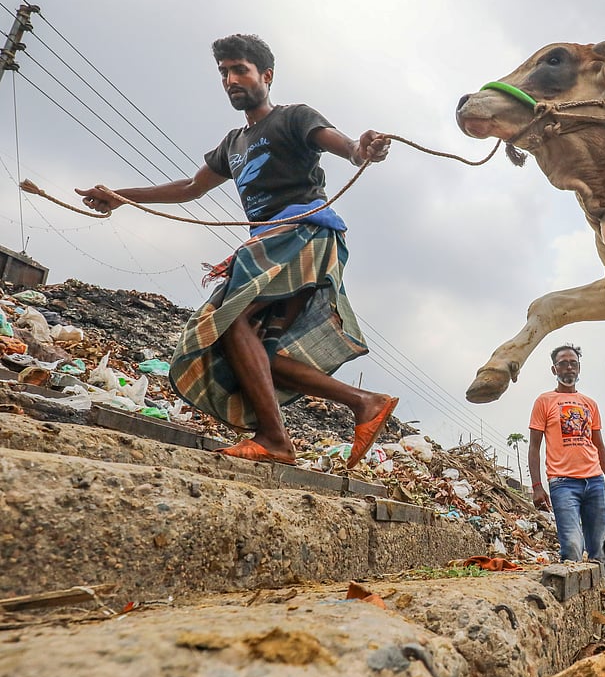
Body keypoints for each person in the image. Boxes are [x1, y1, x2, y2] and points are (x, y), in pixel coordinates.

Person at [75, 33, 398, 467]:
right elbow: (191, 187)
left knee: (229, 321)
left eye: (240, 70)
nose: (230, 79)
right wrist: (121, 195)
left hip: (303, 234)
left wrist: (365, 149)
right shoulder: (232, 145)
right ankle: (364, 403)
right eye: (224, 72)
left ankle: (274, 439)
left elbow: (348, 147)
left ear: (265, 76)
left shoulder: (294, 118)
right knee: (258, 348)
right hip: (270, 241)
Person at [527, 343, 605, 563]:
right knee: (572, 545)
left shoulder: (590, 404)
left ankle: (600, 593)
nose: (568, 368)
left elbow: (599, 447)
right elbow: (534, 446)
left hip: (595, 481)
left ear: (579, 368)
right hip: (562, 483)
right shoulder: (544, 402)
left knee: (599, 549)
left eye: (573, 363)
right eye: (563, 364)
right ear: (554, 369)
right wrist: (537, 486)